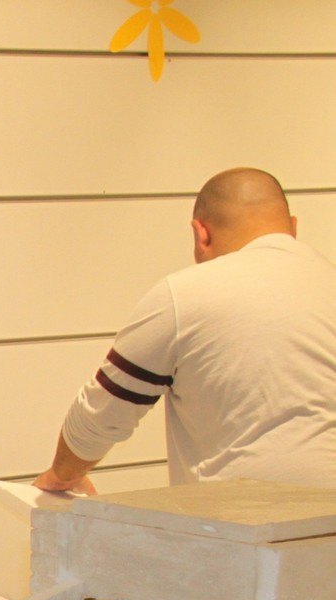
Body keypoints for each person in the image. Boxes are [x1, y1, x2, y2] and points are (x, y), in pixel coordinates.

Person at [34, 167, 336, 493]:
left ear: (200, 233)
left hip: (235, 520)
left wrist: (62, 475)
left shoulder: (183, 296)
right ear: (292, 227)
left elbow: (100, 418)